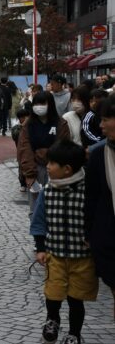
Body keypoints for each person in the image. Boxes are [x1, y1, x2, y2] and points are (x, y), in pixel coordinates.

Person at [30, 140, 97, 344]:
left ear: (67, 169)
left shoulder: (88, 191)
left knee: (77, 298)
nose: (47, 167)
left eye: (51, 164)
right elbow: (39, 220)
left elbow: (96, 218)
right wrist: (40, 248)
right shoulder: (48, 191)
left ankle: (74, 333)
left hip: (83, 257)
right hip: (56, 255)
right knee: (53, 293)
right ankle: (52, 321)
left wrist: (93, 239)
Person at [85, 93, 115, 322]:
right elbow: (92, 198)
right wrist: (89, 234)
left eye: (106, 119)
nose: (101, 125)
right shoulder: (98, 156)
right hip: (109, 236)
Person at [17, 91, 70, 213]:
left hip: (56, 169)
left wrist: (44, 153)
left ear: (50, 104)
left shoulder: (61, 123)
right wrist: (30, 174)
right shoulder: (28, 125)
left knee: (55, 208)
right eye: (36, 103)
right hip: (35, 169)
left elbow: (63, 146)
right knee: (36, 209)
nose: (39, 106)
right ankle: (38, 231)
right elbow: (24, 149)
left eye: (42, 103)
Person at [11, 108, 30, 192]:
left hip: (31, 151)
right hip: (21, 151)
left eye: (25, 117)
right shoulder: (16, 128)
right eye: (22, 117)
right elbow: (15, 136)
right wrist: (23, 126)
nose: (24, 119)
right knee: (21, 168)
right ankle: (22, 184)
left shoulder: (32, 126)